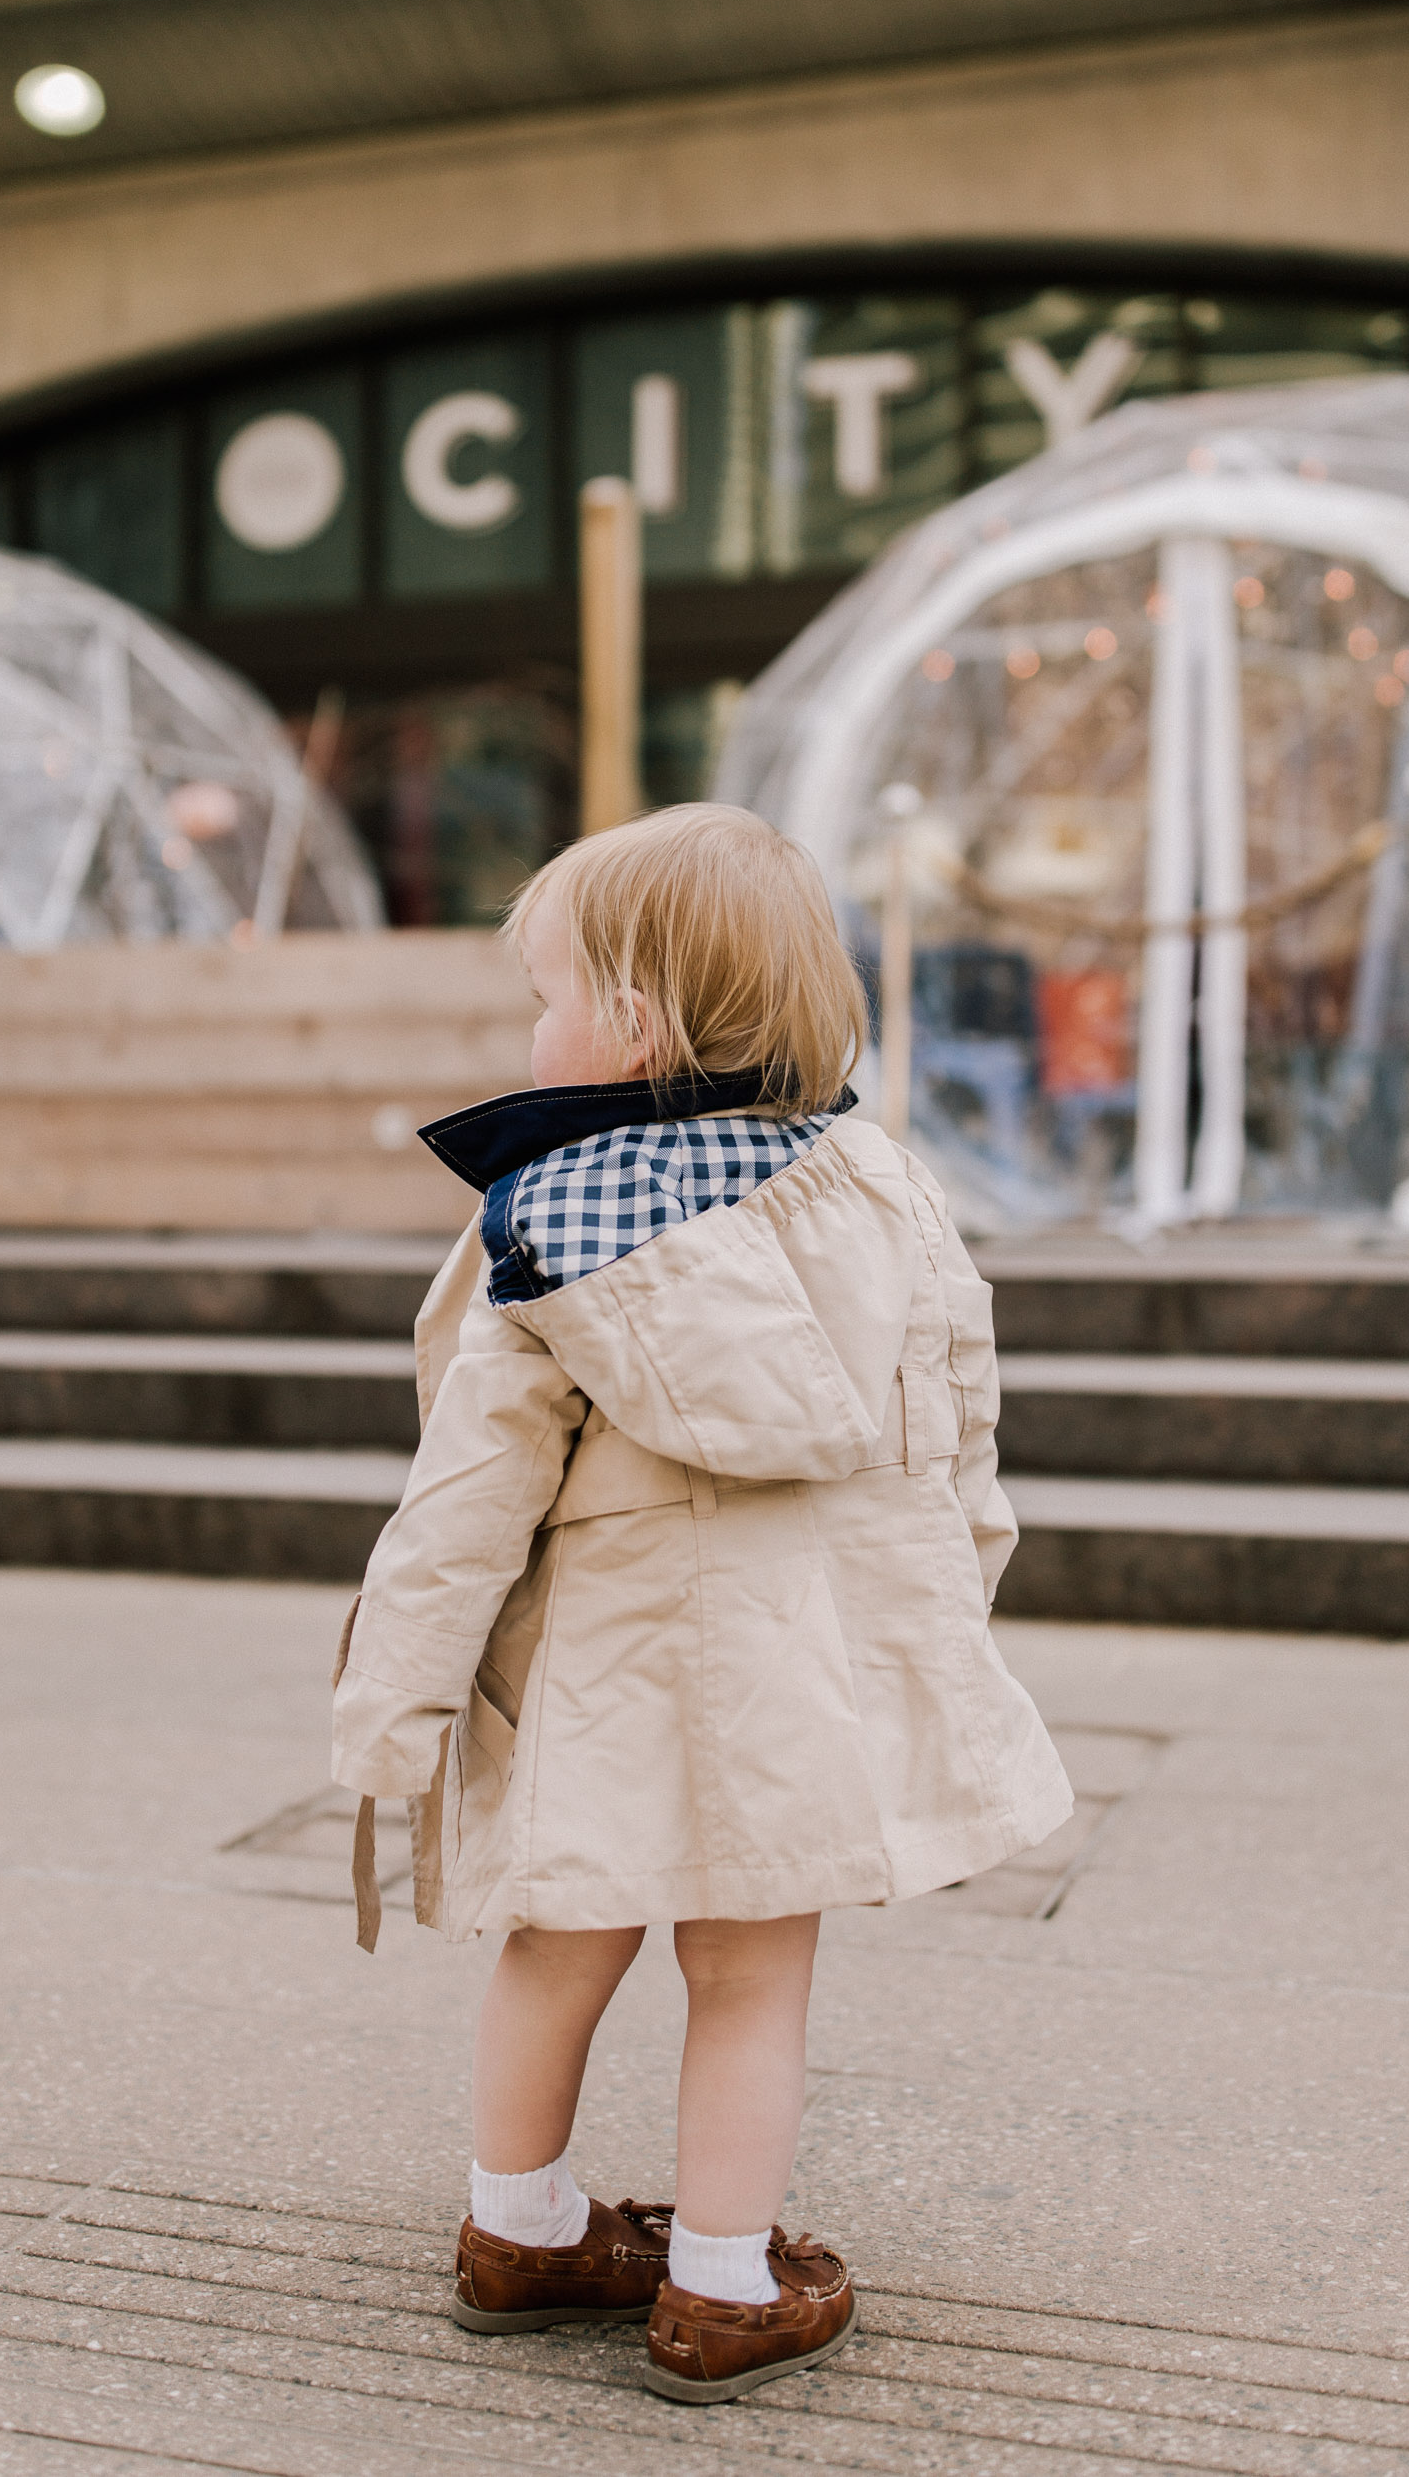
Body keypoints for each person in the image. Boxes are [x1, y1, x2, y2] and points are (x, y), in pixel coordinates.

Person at [331, 803, 1072, 2405]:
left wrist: (397, 1695)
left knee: (555, 1948)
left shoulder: (544, 1221)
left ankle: (518, 2230)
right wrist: (952, 1594)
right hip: (796, 1686)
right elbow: (954, 1413)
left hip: (607, 1680)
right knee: (751, 1978)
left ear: (634, 1019)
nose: (531, 1031)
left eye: (546, 997)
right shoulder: (881, 1184)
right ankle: (726, 2290)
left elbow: (465, 1494)